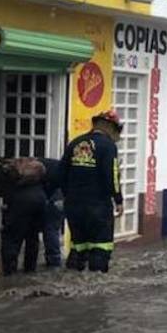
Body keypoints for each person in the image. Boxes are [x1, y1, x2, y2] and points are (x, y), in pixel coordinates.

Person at [59, 109, 124, 273]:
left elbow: (61, 173)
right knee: (101, 247)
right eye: (118, 131)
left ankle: (71, 281)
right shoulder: (108, 146)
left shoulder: (75, 143)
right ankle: (97, 293)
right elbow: (112, 176)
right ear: (110, 127)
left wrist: (70, 197)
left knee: (79, 246)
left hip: (73, 207)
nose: (118, 137)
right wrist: (118, 200)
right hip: (98, 207)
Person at [0, 154, 48, 275]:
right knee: (32, 237)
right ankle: (30, 270)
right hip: (39, 199)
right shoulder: (36, 167)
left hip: (21, 202)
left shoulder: (1, 173)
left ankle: (9, 272)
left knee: (11, 239)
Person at [39, 157, 64, 268]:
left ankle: (54, 261)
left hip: (59, 194)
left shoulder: (33, 169)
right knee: (53, 227)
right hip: (66, 194)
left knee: (50, 228)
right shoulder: (54, 166)